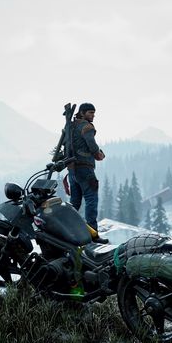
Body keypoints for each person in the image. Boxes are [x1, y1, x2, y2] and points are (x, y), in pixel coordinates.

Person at [67, 102, 108, 244]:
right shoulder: (87, 127)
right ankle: (93, 235)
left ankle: (70, 232)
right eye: (90, 113)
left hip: (72, 170)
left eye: (94, 113)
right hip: (85, 169)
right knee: (91, 200)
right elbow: (92, 145)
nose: (93, 116)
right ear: (82, 113)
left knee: (74, 203)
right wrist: (99, 154)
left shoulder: (71, 127)